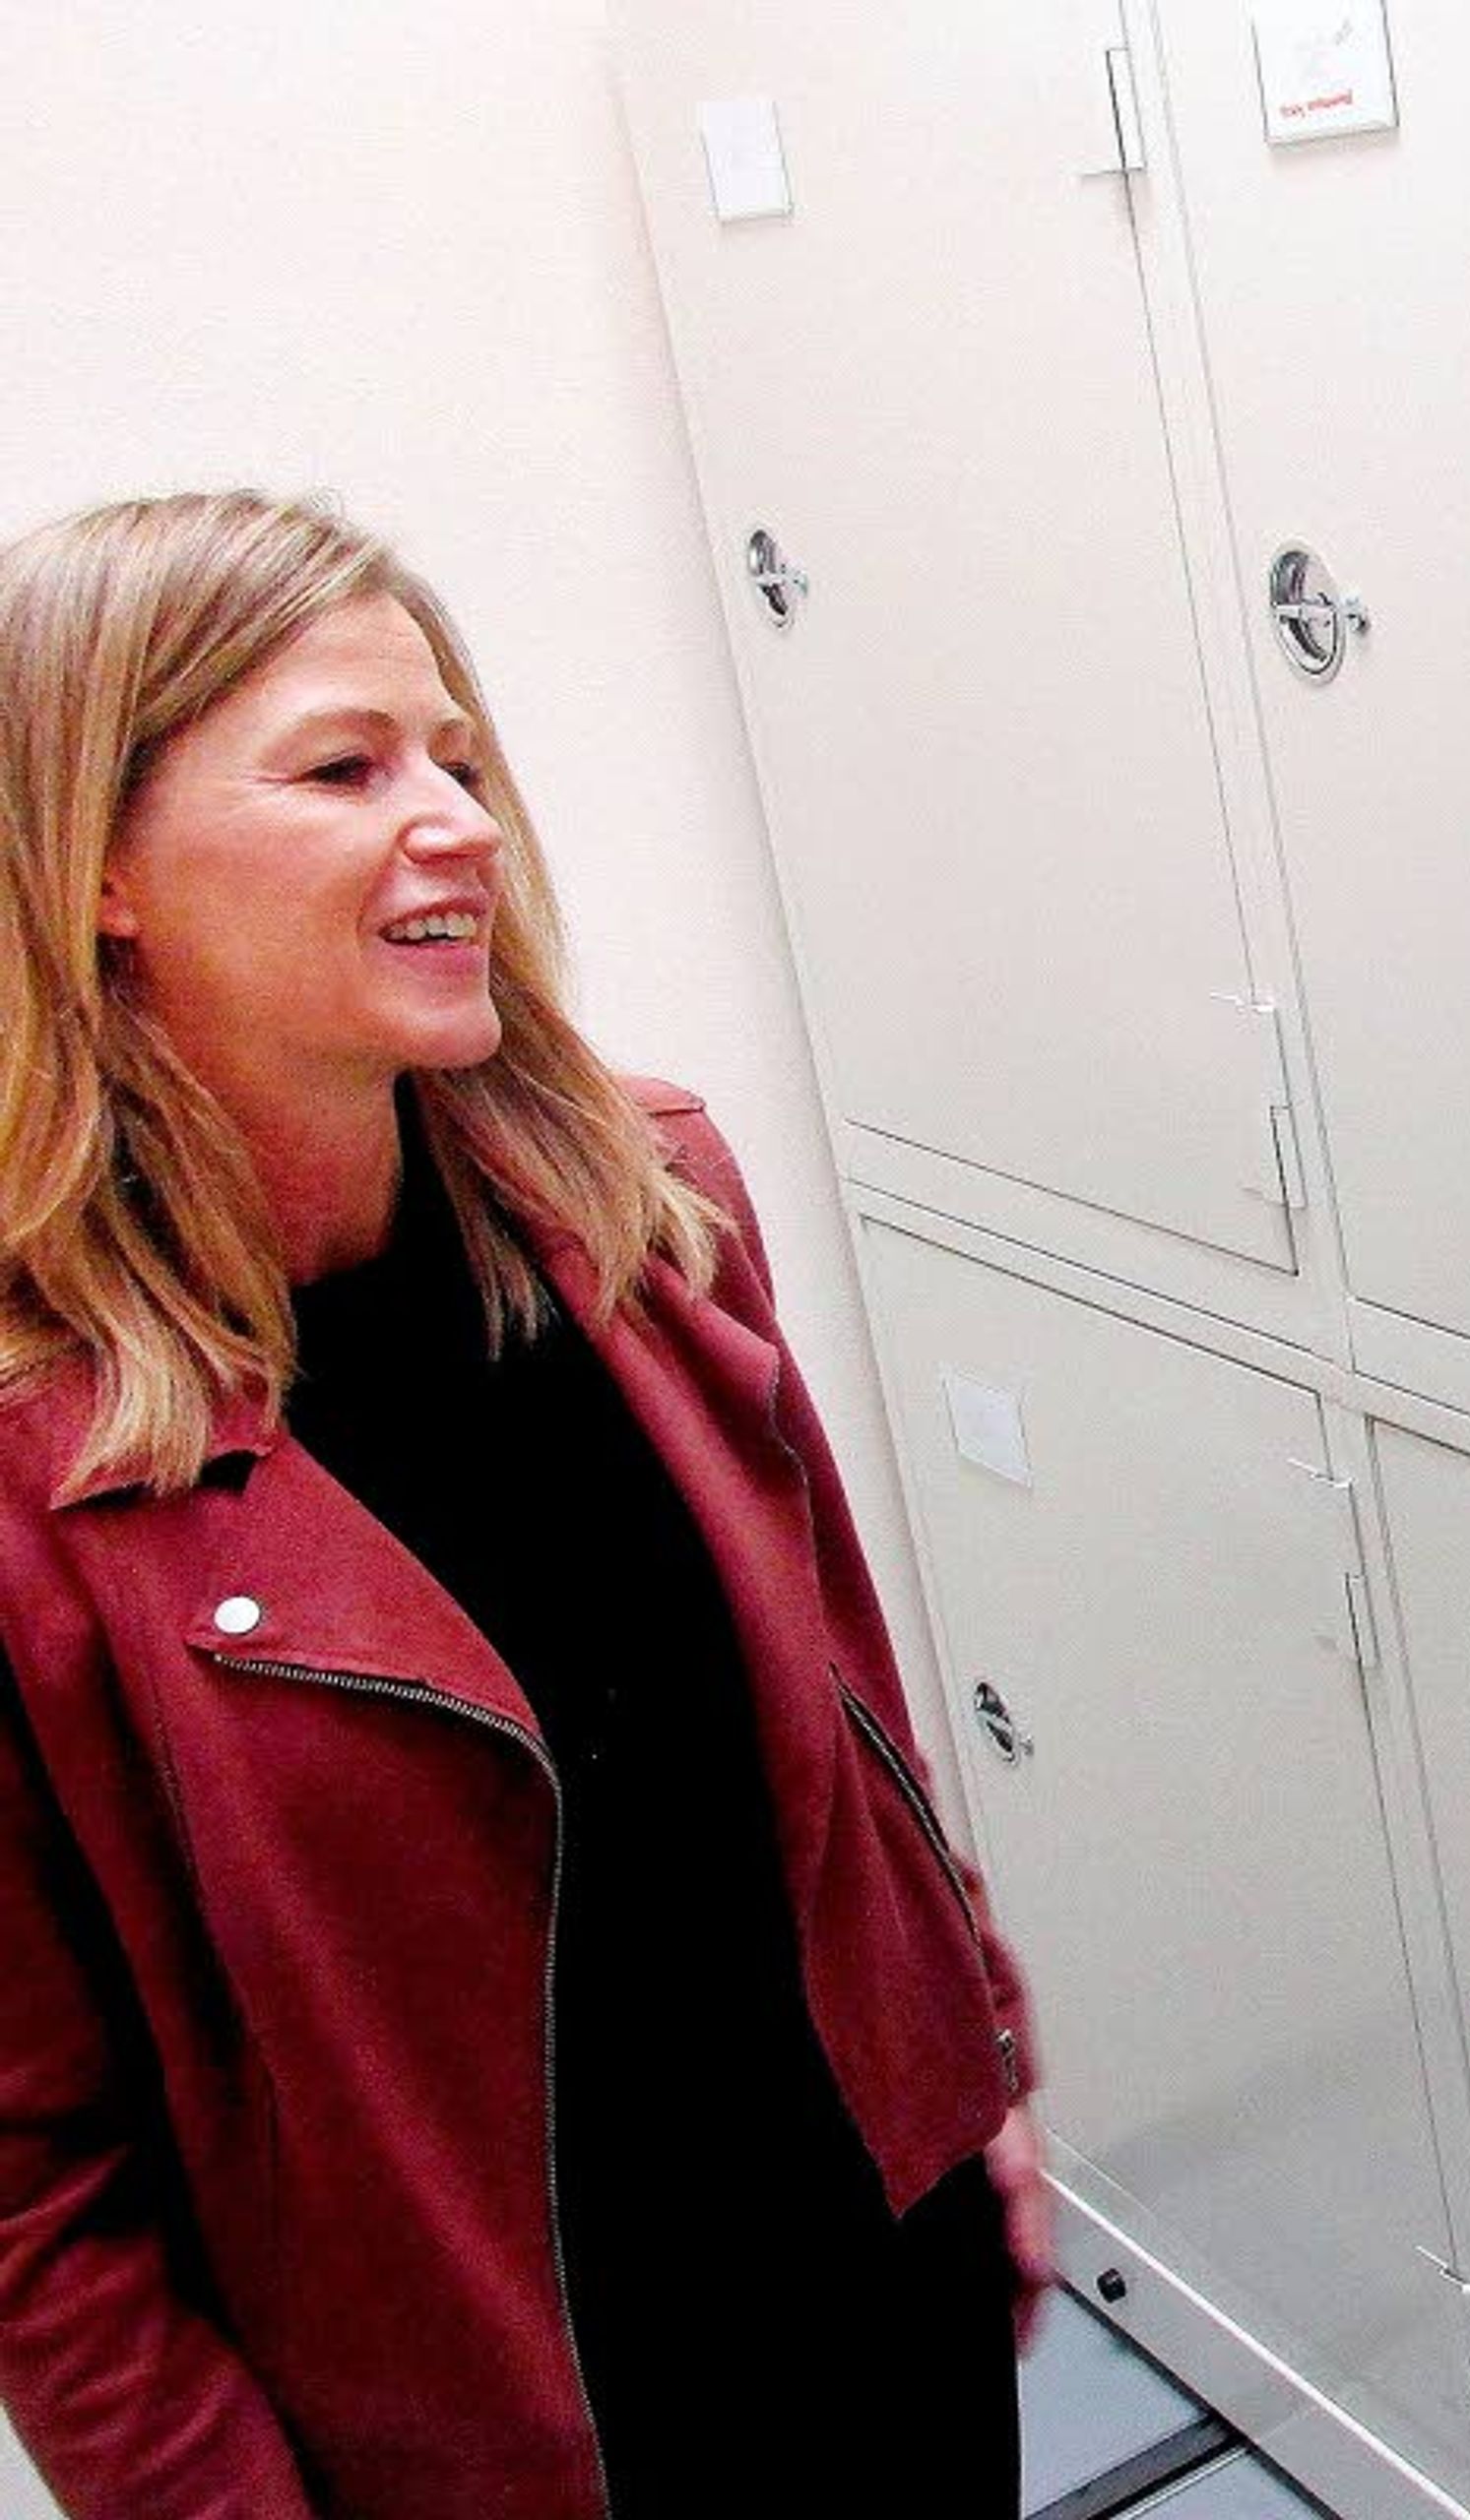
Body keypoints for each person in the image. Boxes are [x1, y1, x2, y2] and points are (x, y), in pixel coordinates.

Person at [0, 489, 1055, 2517]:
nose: (462, 818)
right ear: (97, 868)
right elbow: (39, 2174)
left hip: (877, 2283)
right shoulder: (31, 1462)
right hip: (510, 2449)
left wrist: (974, 2062)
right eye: (346, 767)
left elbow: (843, 1705)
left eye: (459, 758)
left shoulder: (645, 1198)